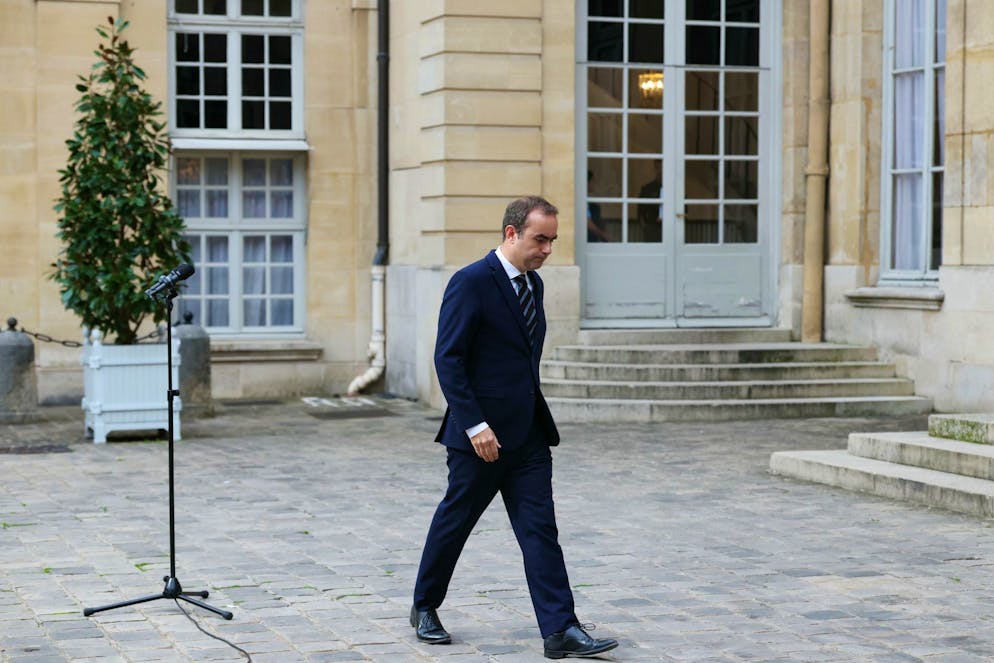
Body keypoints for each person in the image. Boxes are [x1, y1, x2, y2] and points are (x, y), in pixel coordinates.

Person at [411, 196, 619, 659]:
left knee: (540, 531)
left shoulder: (533, 285)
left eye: (552, 240)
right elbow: (448, 359)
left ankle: (560, 629)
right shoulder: (470, 282)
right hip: (480, 439)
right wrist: (475, 425)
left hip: (528, 435)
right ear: (511, 233)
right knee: (455, 523)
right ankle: (424, 606)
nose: (547, 249)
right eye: (540, 239)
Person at [637, 159, 663, 242]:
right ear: (655, 169)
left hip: (671, 229)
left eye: (663, 168)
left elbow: (683, 211)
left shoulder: (676, 190)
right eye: (658, 168)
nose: (660, 171)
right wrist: (646, 229)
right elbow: (640, 213)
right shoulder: (647, 189)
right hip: (652, 229)